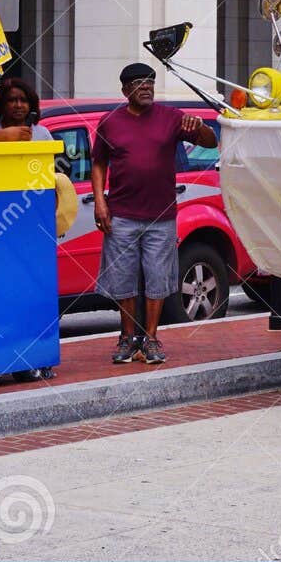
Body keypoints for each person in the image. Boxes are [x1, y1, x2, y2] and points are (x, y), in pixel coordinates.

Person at [92, 62, 217, 367]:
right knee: (122, 279)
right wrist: (99, 202)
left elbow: (211, 142)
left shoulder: (171, 117)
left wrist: (198, 126)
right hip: (121, 214)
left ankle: (151, 338)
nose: (146, 87)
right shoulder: (110, 123)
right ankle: (126, 337)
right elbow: (98, 164)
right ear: (125, 90)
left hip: (161, 216)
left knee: (158, 279)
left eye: (150, 81)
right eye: (138, 83)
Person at [0, 77, 53, 142]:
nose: (19, 105)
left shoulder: (42, 134)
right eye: (12, 100)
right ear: (2, 103)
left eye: (24, 100)